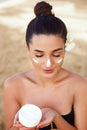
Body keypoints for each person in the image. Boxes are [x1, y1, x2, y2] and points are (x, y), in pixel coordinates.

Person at [4, 1, 87, 130]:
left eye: (56, 54)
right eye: (39, 55)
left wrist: (55, 116)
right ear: (28, 49)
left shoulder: (80, 85)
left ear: (65, 48)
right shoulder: (13, 86)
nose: (48, 63)